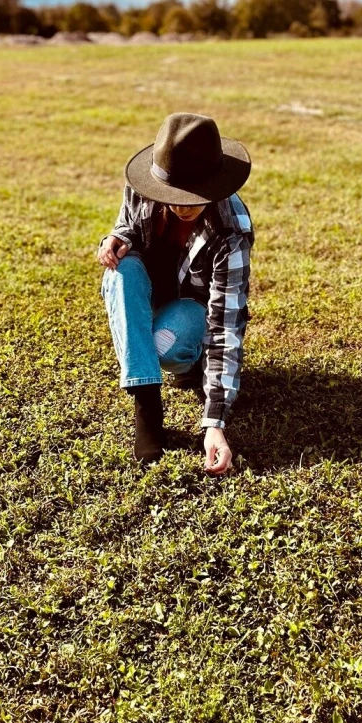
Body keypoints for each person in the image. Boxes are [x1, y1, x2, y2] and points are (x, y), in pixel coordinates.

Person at [97, 112, 253, 473]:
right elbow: (128, 225)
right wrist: (115, 239)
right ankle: (147, 406)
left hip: (191, 309)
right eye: (173, 196)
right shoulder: (143, 185)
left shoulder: (232, 232)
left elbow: (227, 324)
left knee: (168, 348)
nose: (181, 206)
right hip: (149, 297)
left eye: (192, 197)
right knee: (122, 271)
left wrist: (215, 423)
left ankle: (191, 360)